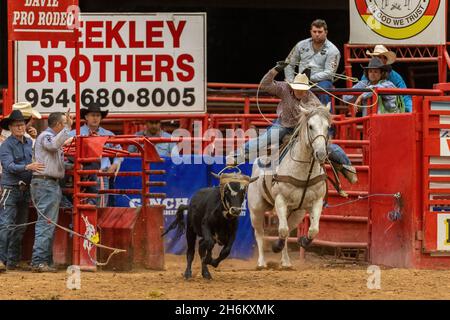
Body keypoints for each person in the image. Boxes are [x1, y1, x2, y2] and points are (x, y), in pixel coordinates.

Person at [227, 62, 357, 185]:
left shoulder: (311, 98)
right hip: (283, 124)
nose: (300, 91)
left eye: (303, 89)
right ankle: (237, 156)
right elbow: (265, 85)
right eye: (298, 88)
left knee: (328, 147)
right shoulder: (284, 88)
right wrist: (274, 70)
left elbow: (321, 114)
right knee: (264, 139)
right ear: (293, 86)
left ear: (307, 89)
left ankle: (348, 169)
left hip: (302, 129)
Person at [0, 110, 45, 272]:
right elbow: (8, 166)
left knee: (20, 226)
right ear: (11, 128)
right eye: (17, 125)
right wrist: (28, 166)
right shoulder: (6, 145)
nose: (20, 127)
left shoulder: (29, 142)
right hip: (10, 188)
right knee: (6, 224)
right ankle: (1, 259)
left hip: (23, 189)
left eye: (22, 125)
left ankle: (11, 261)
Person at [30, 111, 73, 272]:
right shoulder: (46, 137)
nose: (66, 125)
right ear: (59, 125)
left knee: (47, 223)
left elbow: (53, 158)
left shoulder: (47, 138)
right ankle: (39, 261)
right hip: (46, 183)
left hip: (47, 183)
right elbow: (53, 145)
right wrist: (68, 128)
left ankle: (43, 260)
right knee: (46, 223)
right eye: (64, 123)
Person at [69, 103, 122, 206]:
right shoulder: (74, 134)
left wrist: (115, 164)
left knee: (100, 206)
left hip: (102, 173)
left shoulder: (109, 134)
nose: (95, 118)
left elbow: (119, 151)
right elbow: (66, 152)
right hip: (82, 175)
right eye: (93, 115)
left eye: (98, 115)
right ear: (86, 117)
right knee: (81, 204)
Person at [284, 19, 340, 106]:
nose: (317, 34)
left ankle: (325, 116)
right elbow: (289, 63)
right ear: (311, 32)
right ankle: (281, 118)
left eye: (320, 32)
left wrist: (309, 78)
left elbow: (330, 73)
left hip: (321, 82)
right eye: (314, 31)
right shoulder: (301, 45)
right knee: (285, 90)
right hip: (300, 81)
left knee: (323, 89)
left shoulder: (333, 50)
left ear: (326, 32)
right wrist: (291, 81)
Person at [364, 45, 412, 112]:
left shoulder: (395, 77)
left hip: (390, 112)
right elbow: (359, 89)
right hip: (371, 110)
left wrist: (410, 110)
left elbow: (405, 95)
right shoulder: (366, 76)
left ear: (385, 60)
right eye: (375, 57)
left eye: (379, 57)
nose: (377, 60)